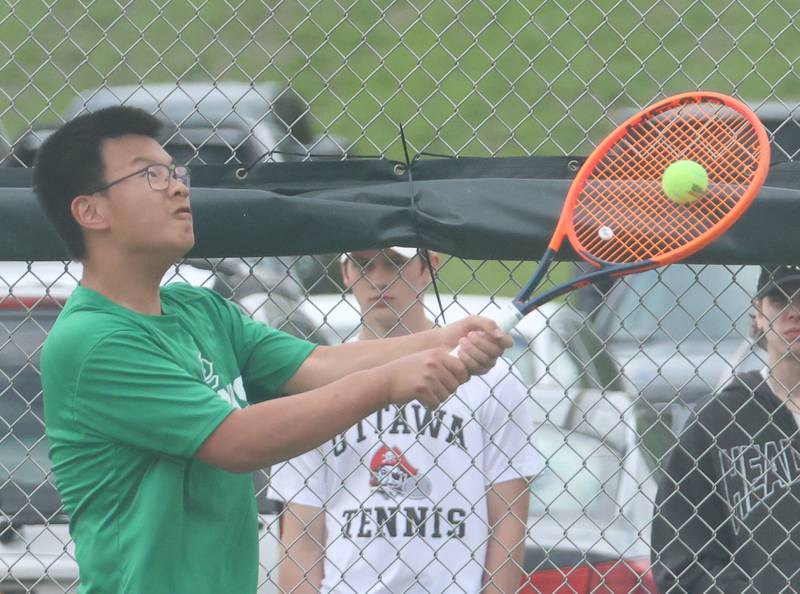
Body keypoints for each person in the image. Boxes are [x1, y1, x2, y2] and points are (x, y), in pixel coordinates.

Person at [32, 106, 513, 594]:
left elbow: (316, 363)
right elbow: (237, 441)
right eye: (150, 174)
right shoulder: (93, 341)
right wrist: (389, 383)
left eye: (175, 172)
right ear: (90, 211)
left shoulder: (200, 310)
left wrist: (444, 339)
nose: (178, 187)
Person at [269, 248, 541, 593]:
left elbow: (508, 519)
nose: (379, 278)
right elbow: (301, 536)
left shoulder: (493, 378)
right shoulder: (315, 385)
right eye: (364, 264)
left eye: (395, 263)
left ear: (430, 268)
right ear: (346, 274)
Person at [651, 265, 800, 592]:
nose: (794, 313)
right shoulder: (717, 421)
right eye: (780, 300)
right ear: (759, 314)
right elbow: (680, 558)